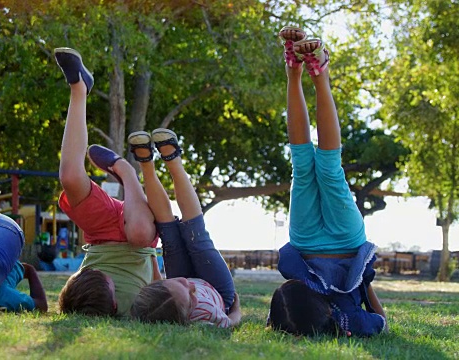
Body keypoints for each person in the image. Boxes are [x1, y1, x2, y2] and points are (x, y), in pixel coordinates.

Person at [267, 26, 387, 337]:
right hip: (346, 241)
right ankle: (319, 72)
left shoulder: (296, 312)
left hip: (306, 242)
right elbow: (381, 320)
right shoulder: (349, 321)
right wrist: (365, 281)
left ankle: (293, 69)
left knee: (304, 165)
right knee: (329, 170)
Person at [52, 47, 161, 317]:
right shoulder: (129, 312)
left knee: (69, 177)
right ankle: (126, 170)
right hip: (139, 239)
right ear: (113, 303)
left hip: (100, 235)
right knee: (137, 233)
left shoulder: (80, 303)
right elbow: (158, 286)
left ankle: (79, 88)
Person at [128, 129, 241, 328]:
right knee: (196, 236)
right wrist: (237, 310)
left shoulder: (164, 299)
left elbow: (157, 288)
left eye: (181, 285)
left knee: (169, 236)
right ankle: (173, 160)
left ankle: (145, 164)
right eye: (191, 298)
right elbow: (230, 322)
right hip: (219, 289)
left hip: (177, 279)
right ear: (187, 313)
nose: (190, 286)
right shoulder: (205, 317)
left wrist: (154, 263)